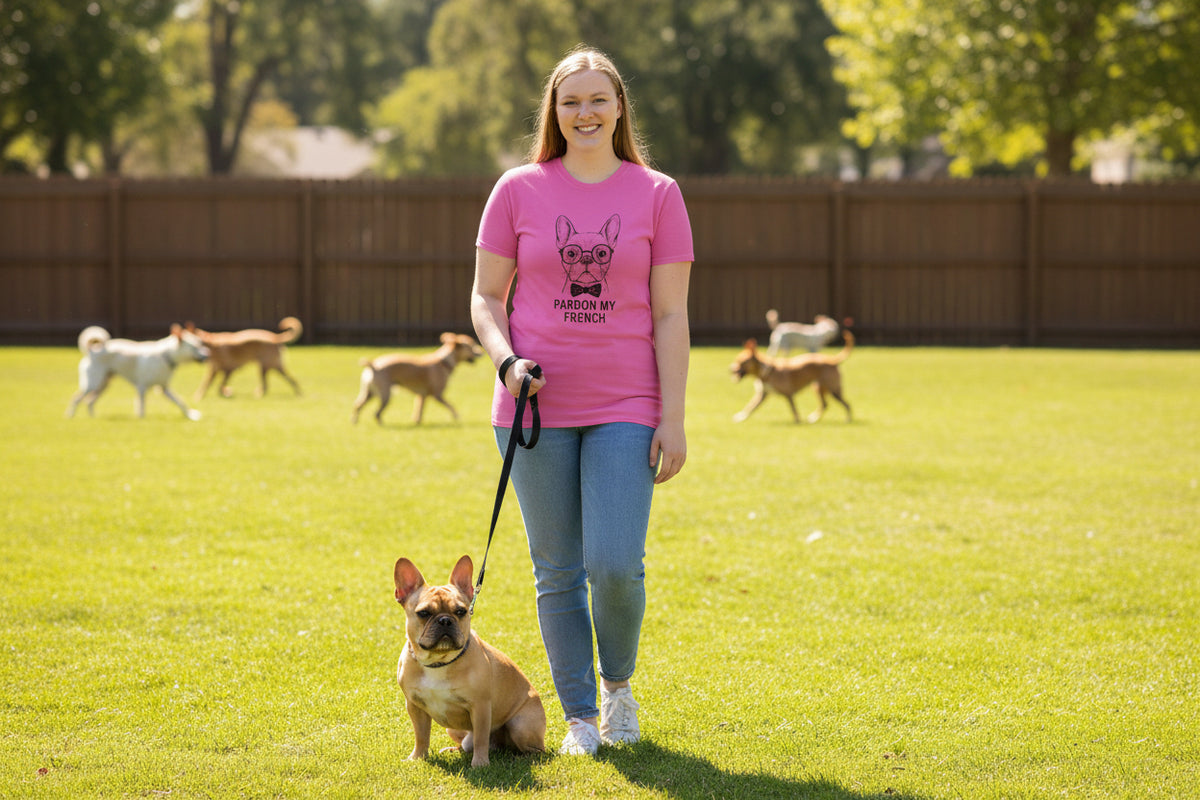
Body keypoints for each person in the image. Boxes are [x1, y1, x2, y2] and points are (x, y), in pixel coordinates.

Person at [470, 45, 693, 756]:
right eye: (572, 102)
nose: (586, 112)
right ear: (555, 113)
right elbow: (484, 298)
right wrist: (506, 363)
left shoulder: (658, 193)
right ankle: (579, 718)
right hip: (532, 411)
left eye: (599, 99)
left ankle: (619, 688)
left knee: (615, 563)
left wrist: (675, 417)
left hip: (628, 403)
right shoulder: (517, 189)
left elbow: (669, 316)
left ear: (620, 107)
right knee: (557, 569)